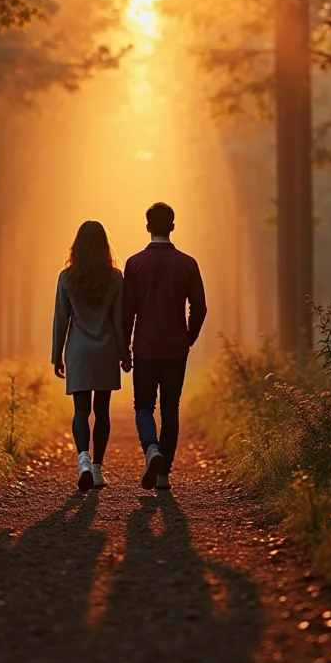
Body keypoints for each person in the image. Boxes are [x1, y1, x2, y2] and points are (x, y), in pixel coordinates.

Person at [123, 202, 207, 490]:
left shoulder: (134, 264)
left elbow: (127, 311)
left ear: (147, 227)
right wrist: (188, 337)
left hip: (145, 347)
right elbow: (200, 307)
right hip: (175, 348)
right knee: (171, 408)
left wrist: (124, 348)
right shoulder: (188, 263)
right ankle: (163, 474)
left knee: (144, 405)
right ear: (173, 226)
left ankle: (152, 450)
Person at [52, 220, 131, 491]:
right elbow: (119, 321)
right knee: (102, 411)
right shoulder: (115, 277)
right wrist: (124, 354)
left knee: (81, 410)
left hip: (78, 351)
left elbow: (61, 320)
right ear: (104, 246)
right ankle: (97, 469)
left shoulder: (67, 277)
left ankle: (83, 461)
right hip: (106, 349)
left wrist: (56, 355)